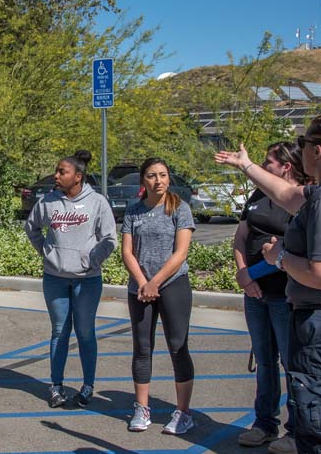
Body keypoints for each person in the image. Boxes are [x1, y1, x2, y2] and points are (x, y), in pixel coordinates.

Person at [215, 113, 321, 453]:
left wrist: (280, 257)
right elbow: (287, 195)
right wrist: (246, 165)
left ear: (317, 151)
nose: (300, 152)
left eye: (303, 145)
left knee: (316, 424)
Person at [25, 150, 117, 409]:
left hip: (87, 281)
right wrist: (47, 252)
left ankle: (88, 386)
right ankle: (56, 386)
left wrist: (91, 259)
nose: (56, 175)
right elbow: (31, 228)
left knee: (86, 333)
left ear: (78, 177)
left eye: (61, 172)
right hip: (54, 278)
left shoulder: (97, 202)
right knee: (59, 332)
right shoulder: (48, 202)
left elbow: (109, 238)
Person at [234, 143, 305, 454]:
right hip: (255, 294)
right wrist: (243, 272)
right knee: (264, 362)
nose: (263, 166)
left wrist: (257, 271)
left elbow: (291, 248)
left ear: (286, 166)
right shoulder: (258, 195)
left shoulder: (298, 198)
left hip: (283, 294)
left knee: (292, 364)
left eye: (268, 162)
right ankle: (264, 423)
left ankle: (296, 430)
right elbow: (241, 236)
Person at [121, 157, 196, 435]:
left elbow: (181, 253)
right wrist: (143, 282)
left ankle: (184, 412)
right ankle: (142, 409)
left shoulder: (180, 208)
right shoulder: (134, 211)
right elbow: (127, 252)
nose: (158, 180)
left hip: (172, 285)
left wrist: (156, 282)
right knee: (142, 348)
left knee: (178, 347)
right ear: (143, 180)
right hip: (140, 288)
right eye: (152, 175)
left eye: (163, 175)